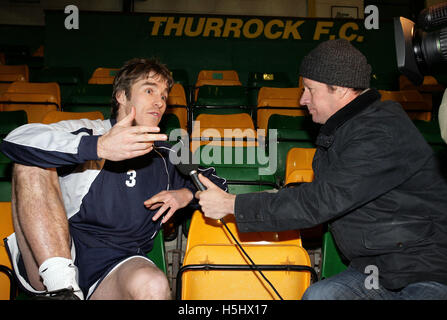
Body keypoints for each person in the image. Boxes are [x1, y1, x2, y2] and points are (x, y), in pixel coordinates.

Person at [195, 39, 447, 300]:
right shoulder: (347, 129)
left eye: (310, 90)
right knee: (319, 296)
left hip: (426, 270)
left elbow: (323, 200)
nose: (303, 99)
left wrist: (233, 205)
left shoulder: (379, 132)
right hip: (377, 270)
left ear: (339, 89)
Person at [1, 58, 227, 300]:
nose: (159, 101)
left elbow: (219, 186)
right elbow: (18, 139)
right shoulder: (89, 131)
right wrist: (99, 147)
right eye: (149, 90)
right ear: (121, 95)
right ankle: (62, 289)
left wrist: (186, 195)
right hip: (55, 253)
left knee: (153, 285)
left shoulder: (167, 153)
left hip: (119, 265)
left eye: (164, 95)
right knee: (31, 160)